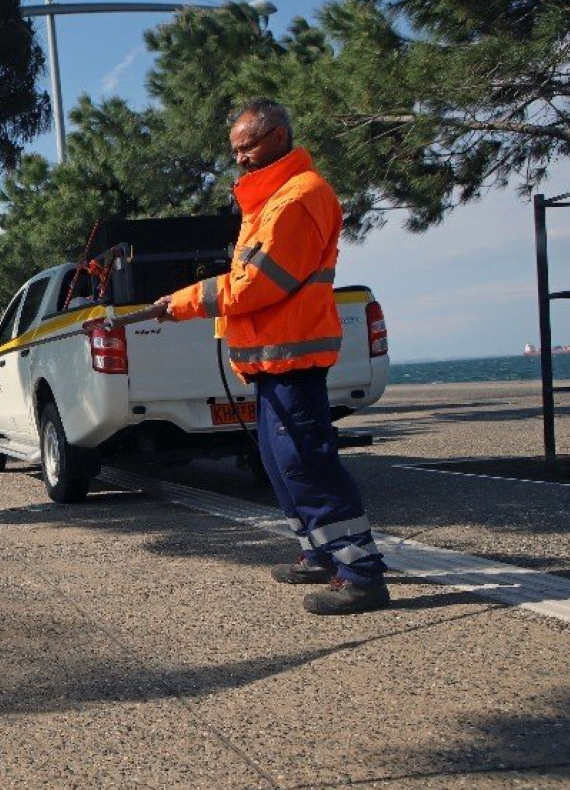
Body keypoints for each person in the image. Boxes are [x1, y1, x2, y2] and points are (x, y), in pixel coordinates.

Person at [154, 98, 389, 615]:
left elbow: (257, 285)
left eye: (248, 146)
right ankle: (317, 554)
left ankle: (361, 572)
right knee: (279, 464)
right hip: (269, 362)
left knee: (305, 465)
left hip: (294, 362)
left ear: (279, 136)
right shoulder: (267, 202)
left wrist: (184, 301)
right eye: (234, 150)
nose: (239, 158)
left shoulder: (298, 199)